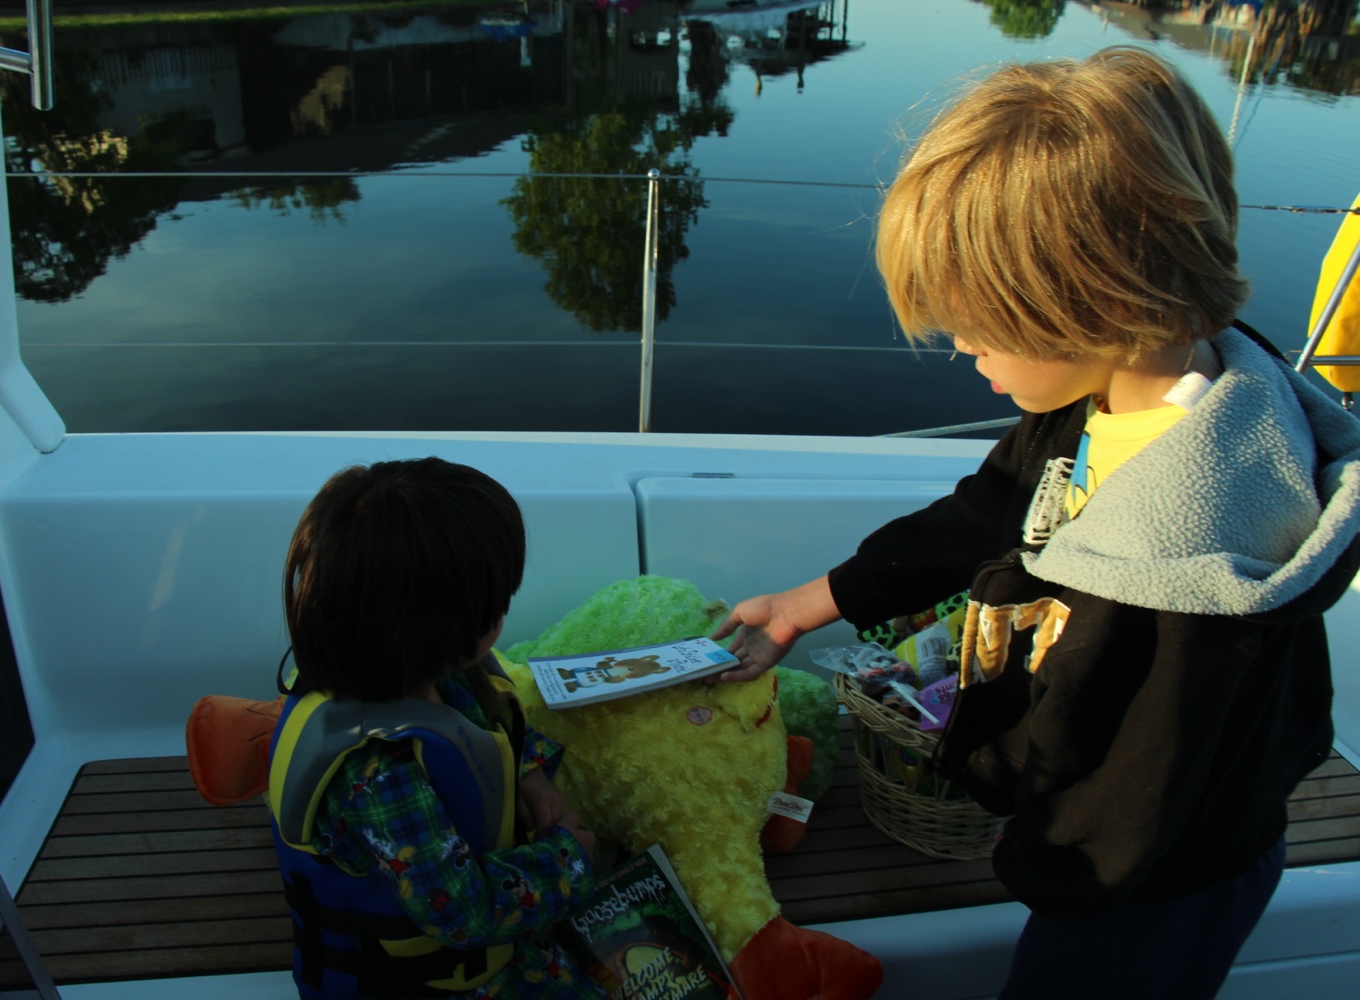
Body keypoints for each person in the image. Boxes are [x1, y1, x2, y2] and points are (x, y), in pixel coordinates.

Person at [712, 47, 1360, 1000]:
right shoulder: (1110, 392)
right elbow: (987, 510)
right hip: (1134, 825)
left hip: (1148, 877)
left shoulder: (1185, 557)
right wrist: (811, 603)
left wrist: (1006, 810)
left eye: (979, 322)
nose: (961, 345)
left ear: (1095, 303)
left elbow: (1125, 776)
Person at [268, 458, 605, 1000]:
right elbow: (464, 913)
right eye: (498, 605)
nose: (502, 617)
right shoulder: (378, 773)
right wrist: (572, 858)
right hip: (435, 981)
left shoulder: (414, 670)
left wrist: (530, 774)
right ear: (443, 630)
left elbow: (481, 725)